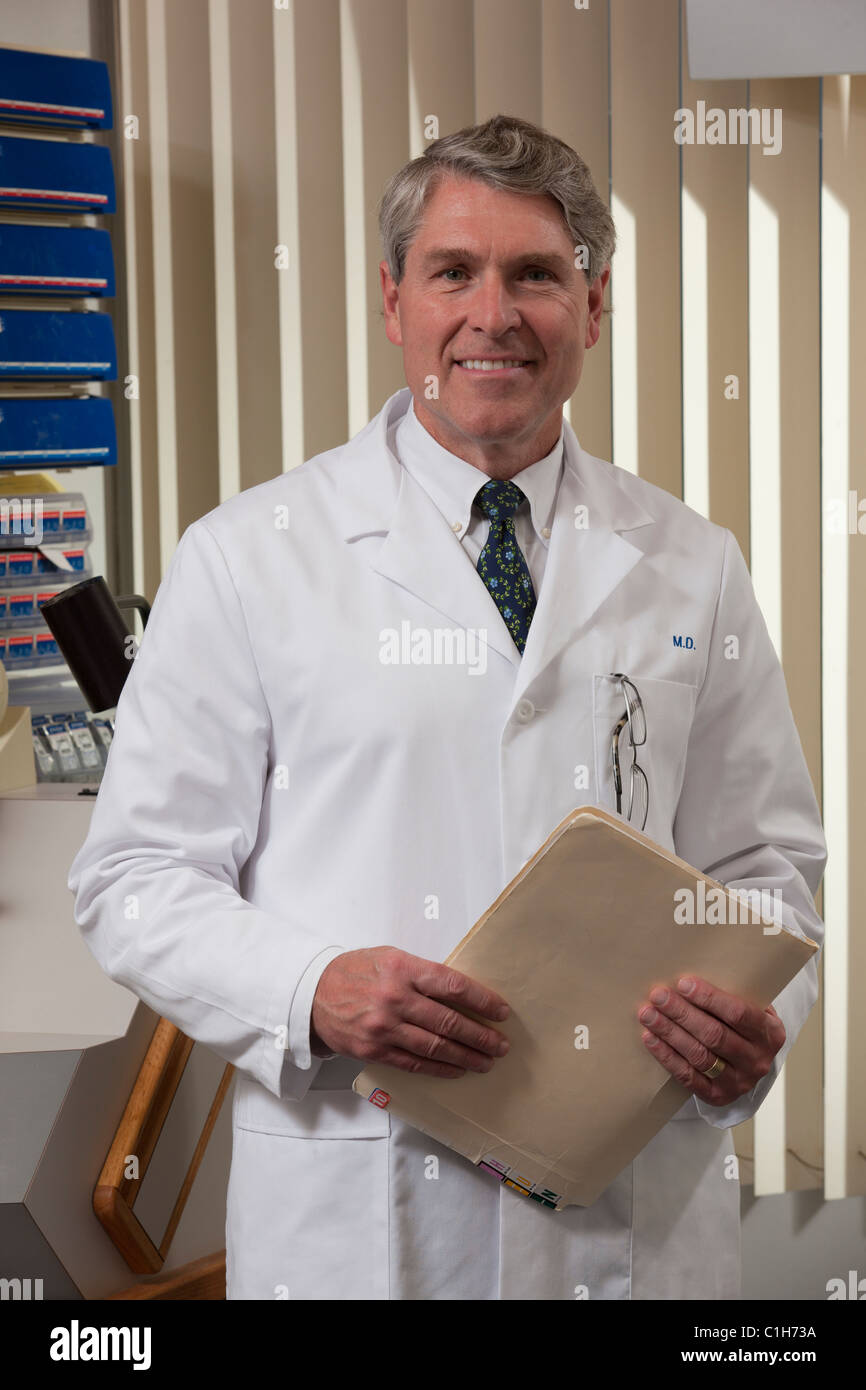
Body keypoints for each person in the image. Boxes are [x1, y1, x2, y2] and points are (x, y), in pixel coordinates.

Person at [68, 114, 826, 1301]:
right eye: (452, 272)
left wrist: (744, 1025)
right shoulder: (248, 558)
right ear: (392, 303)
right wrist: (311, 988)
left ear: (593, 302)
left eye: (536, 272)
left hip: (633, 1216)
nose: (494, 313)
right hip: (362, 1208)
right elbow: (132, 878)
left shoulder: (691, 561)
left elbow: (764, 870)